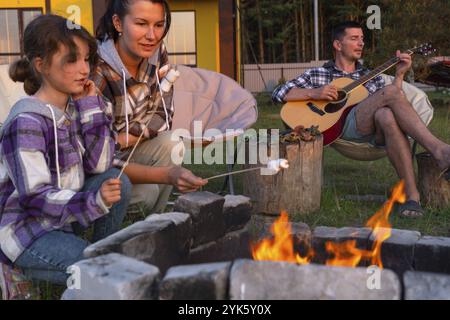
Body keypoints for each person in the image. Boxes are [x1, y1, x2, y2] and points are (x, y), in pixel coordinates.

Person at [0, 14, 132, 300]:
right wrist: (92, 202)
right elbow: (34, 197)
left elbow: (100, 164)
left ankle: (95, 254)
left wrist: (91, 107)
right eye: (71, 60)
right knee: (98, 273)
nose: (84, 69)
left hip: (63, 220)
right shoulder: (26, 121)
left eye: (86, 59)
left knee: (117, 181)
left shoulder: (75, 107)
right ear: (41, 65)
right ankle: (14, 267)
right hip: (28, 231)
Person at [272, 21, 450, 218]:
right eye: (354, 38)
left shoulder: (368, 75)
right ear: (338, 45)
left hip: (373, 130)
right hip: (339, 128)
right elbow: (279, 92)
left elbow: (395, 101)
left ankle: (412, 197)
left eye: (362, 39)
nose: (361, 43)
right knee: (388, 100)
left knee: (386, 114)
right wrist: (315, 92)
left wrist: (399, 74)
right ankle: (440, 151)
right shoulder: (318, 74)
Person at [92, 0, 207, 214]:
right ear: (118, 23)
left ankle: (156, 224)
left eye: (159, 25)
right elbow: (97, 156)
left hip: (129, 145)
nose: (152, 36)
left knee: (173, 142)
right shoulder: (97, 71)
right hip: (97, 166)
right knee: (147, 194)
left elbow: (163, 111)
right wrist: (166, 174)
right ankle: (122, 229)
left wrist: (132, 136)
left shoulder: (156, 52)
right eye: (141, 24)